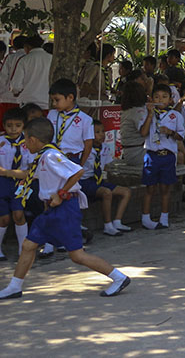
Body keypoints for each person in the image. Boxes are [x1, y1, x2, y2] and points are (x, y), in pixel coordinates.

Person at [0, 118, 130, 300]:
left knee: (77, 255)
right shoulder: (43, 157)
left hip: (64, 210)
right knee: (28, 245)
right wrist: (6, 172)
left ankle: (119, 277)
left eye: (26, 139)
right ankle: (14, 287)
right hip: (51, 211)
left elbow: (77, 171)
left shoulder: (51, 156)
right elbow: (30, 174)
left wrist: (61, 194)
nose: (25, 145)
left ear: (33, 140)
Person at [140, 84, 185, 230]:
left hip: (168, 156)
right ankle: (146, 218)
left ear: (170, 99)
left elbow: (181, 136)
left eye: (164, 97)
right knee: (150, 188)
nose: (160, 100)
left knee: (165, 188)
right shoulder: (146, 113)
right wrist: (150, 115)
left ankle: (164, 217)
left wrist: (170, 132)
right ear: (151, 99)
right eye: (157, 97)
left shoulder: (175, 116)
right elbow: (143, 133)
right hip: (152, 155)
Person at [80, 121, 132, 236]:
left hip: (99, 181)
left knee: (126, 192)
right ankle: (107, 226)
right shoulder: (84, 149)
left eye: (103, 131)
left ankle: (117, 221)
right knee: (106, 193)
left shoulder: (105, 148)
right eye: (97, 132)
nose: (102, 134)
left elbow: (106, 166)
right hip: (85, 181)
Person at [0, 108, 29, 258]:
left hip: (21, 182)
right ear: (4, 125)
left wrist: (8, 172)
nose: (13, 129)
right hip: (2, 183)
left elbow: (31, 167)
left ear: (24, 125)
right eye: (9, 125)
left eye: (18, 125)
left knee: (19, 214)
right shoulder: (1, 141)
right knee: (3, 218)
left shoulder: (29, 142)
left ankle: (23, 250)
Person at [10, 35, 51, 108]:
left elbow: (16, 85)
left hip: (27, 101)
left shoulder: (24, 60)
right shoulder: (51, 58)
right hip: (47, 101)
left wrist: (15, 92)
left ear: (27, 46)